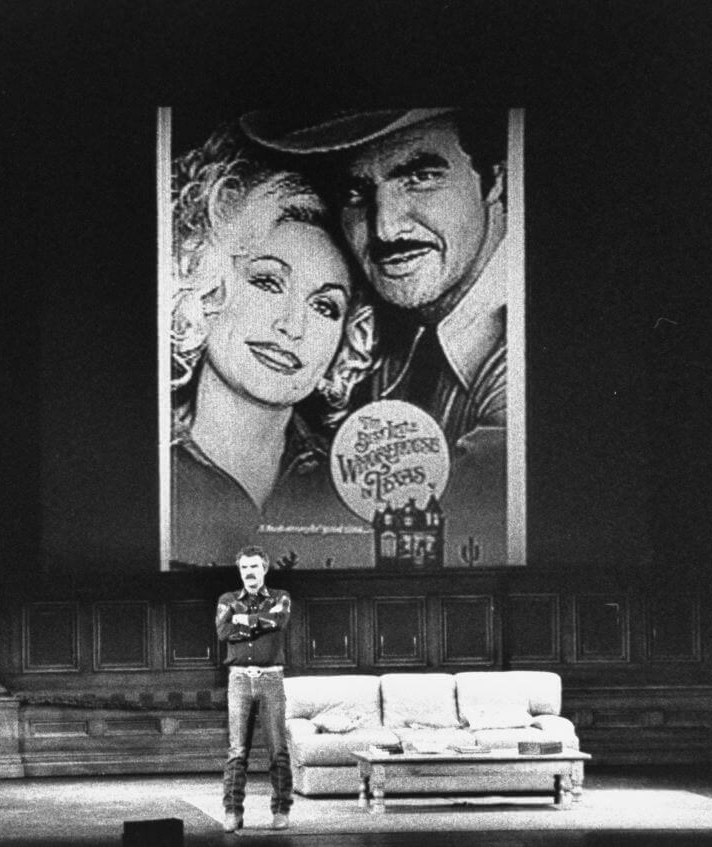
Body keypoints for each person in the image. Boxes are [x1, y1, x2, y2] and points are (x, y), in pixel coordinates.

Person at [241, 108, 511, 564]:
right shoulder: (371, 336)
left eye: (420, 176)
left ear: (497, 181)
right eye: (356, 192)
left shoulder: (523, 360)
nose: (385, 227)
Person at [170, 125, 375, 568]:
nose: (292, 326)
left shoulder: (352, 481)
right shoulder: (144, 465)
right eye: (267, 281)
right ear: (206, 286)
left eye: (325, 306)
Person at [215, 545, 292, 832]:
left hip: (271, 678)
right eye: (244, 568)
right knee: (237, 750)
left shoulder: (280, 597)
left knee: (277, 749)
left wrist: (241, 619)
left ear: (264, 569)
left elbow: (280, 621)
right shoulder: (227, 599)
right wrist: (260, 621)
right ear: (240, 571)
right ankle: (233, 811)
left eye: (254, 567)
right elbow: (223, 632)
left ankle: (281, 810)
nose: (249, 572)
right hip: (238, 679)